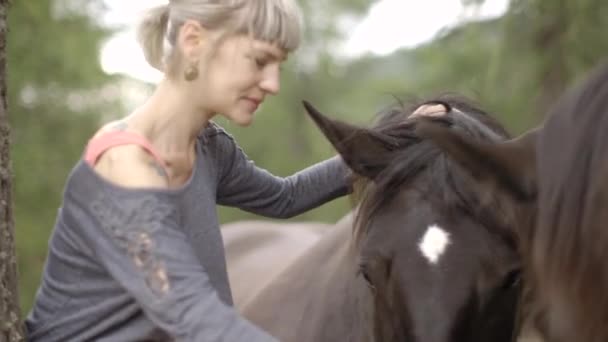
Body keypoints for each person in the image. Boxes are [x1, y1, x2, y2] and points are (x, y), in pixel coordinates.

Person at [24, 0, 350, 341]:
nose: (272, 84)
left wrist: (394, 142)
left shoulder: (209, 150)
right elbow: (192, 314)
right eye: (260, 61)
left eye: (278, 67)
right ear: (194, 41)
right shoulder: (123, 164)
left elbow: (286, 197)